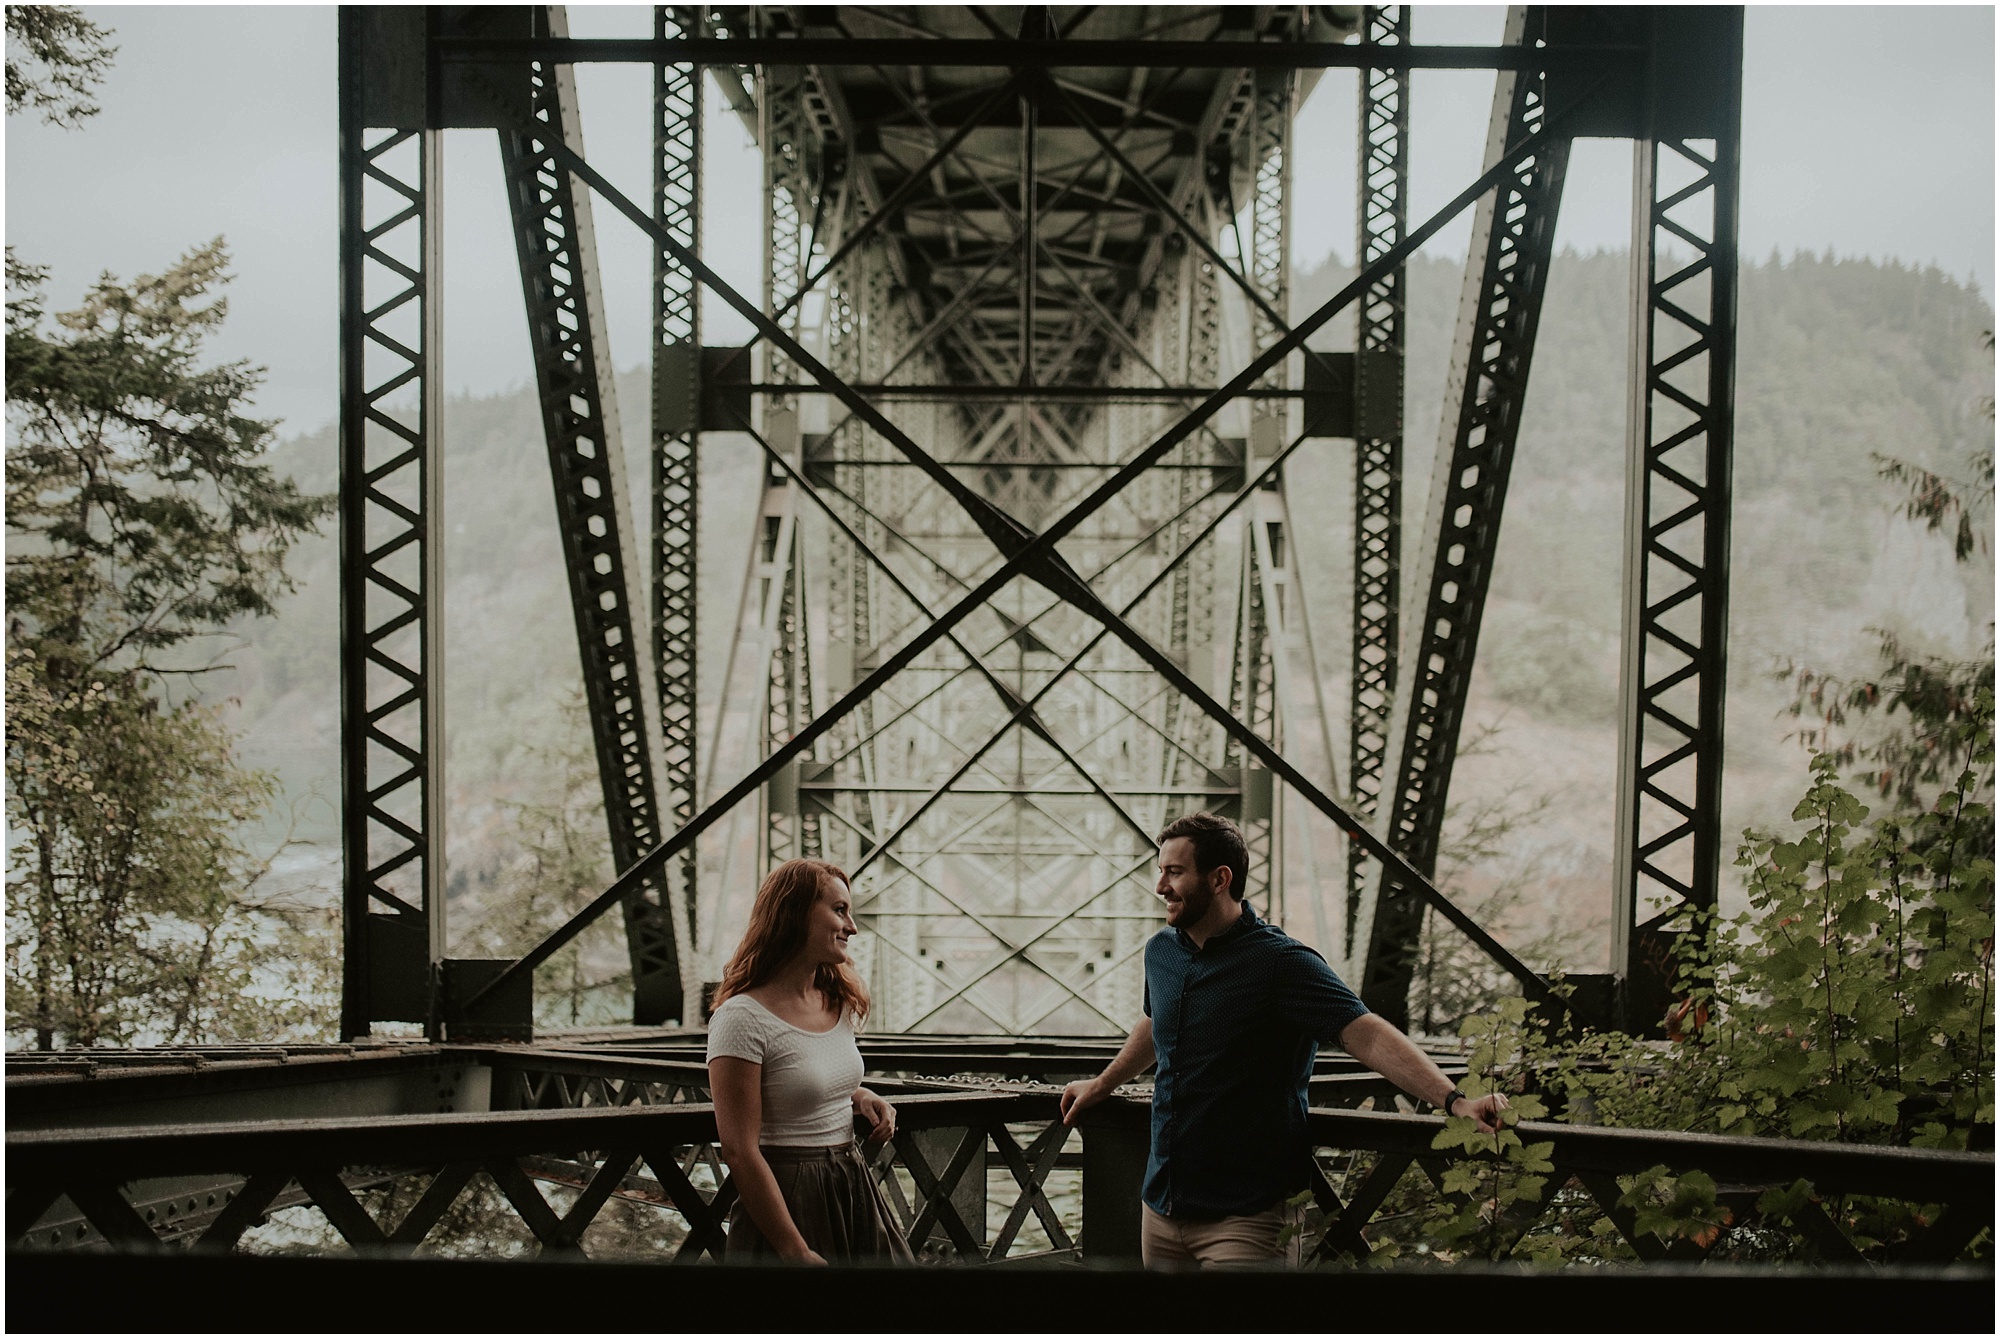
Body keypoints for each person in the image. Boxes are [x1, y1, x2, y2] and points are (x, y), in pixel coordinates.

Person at [1059, 812, 1509, 1268]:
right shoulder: (1161, 952)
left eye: (1174, 872)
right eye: (1161, 871)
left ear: (1219, 879)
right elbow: (1157, 1022)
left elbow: (1367, 1035)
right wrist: (1103, 1084)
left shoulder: (1281, 963)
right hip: (1161, 1208)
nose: (1160, 886)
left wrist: (1455, 1101)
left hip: (1246, 1220)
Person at [706, 858, 912, 1265]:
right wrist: (793, 1249)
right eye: (840, 910)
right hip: (788, 1199)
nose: (852, 927)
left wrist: (858, 1094)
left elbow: (801, 1074)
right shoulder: (741, 1018)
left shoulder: (838, 1001)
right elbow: (739, 1150)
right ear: (795, 913)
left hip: (852, 1183)